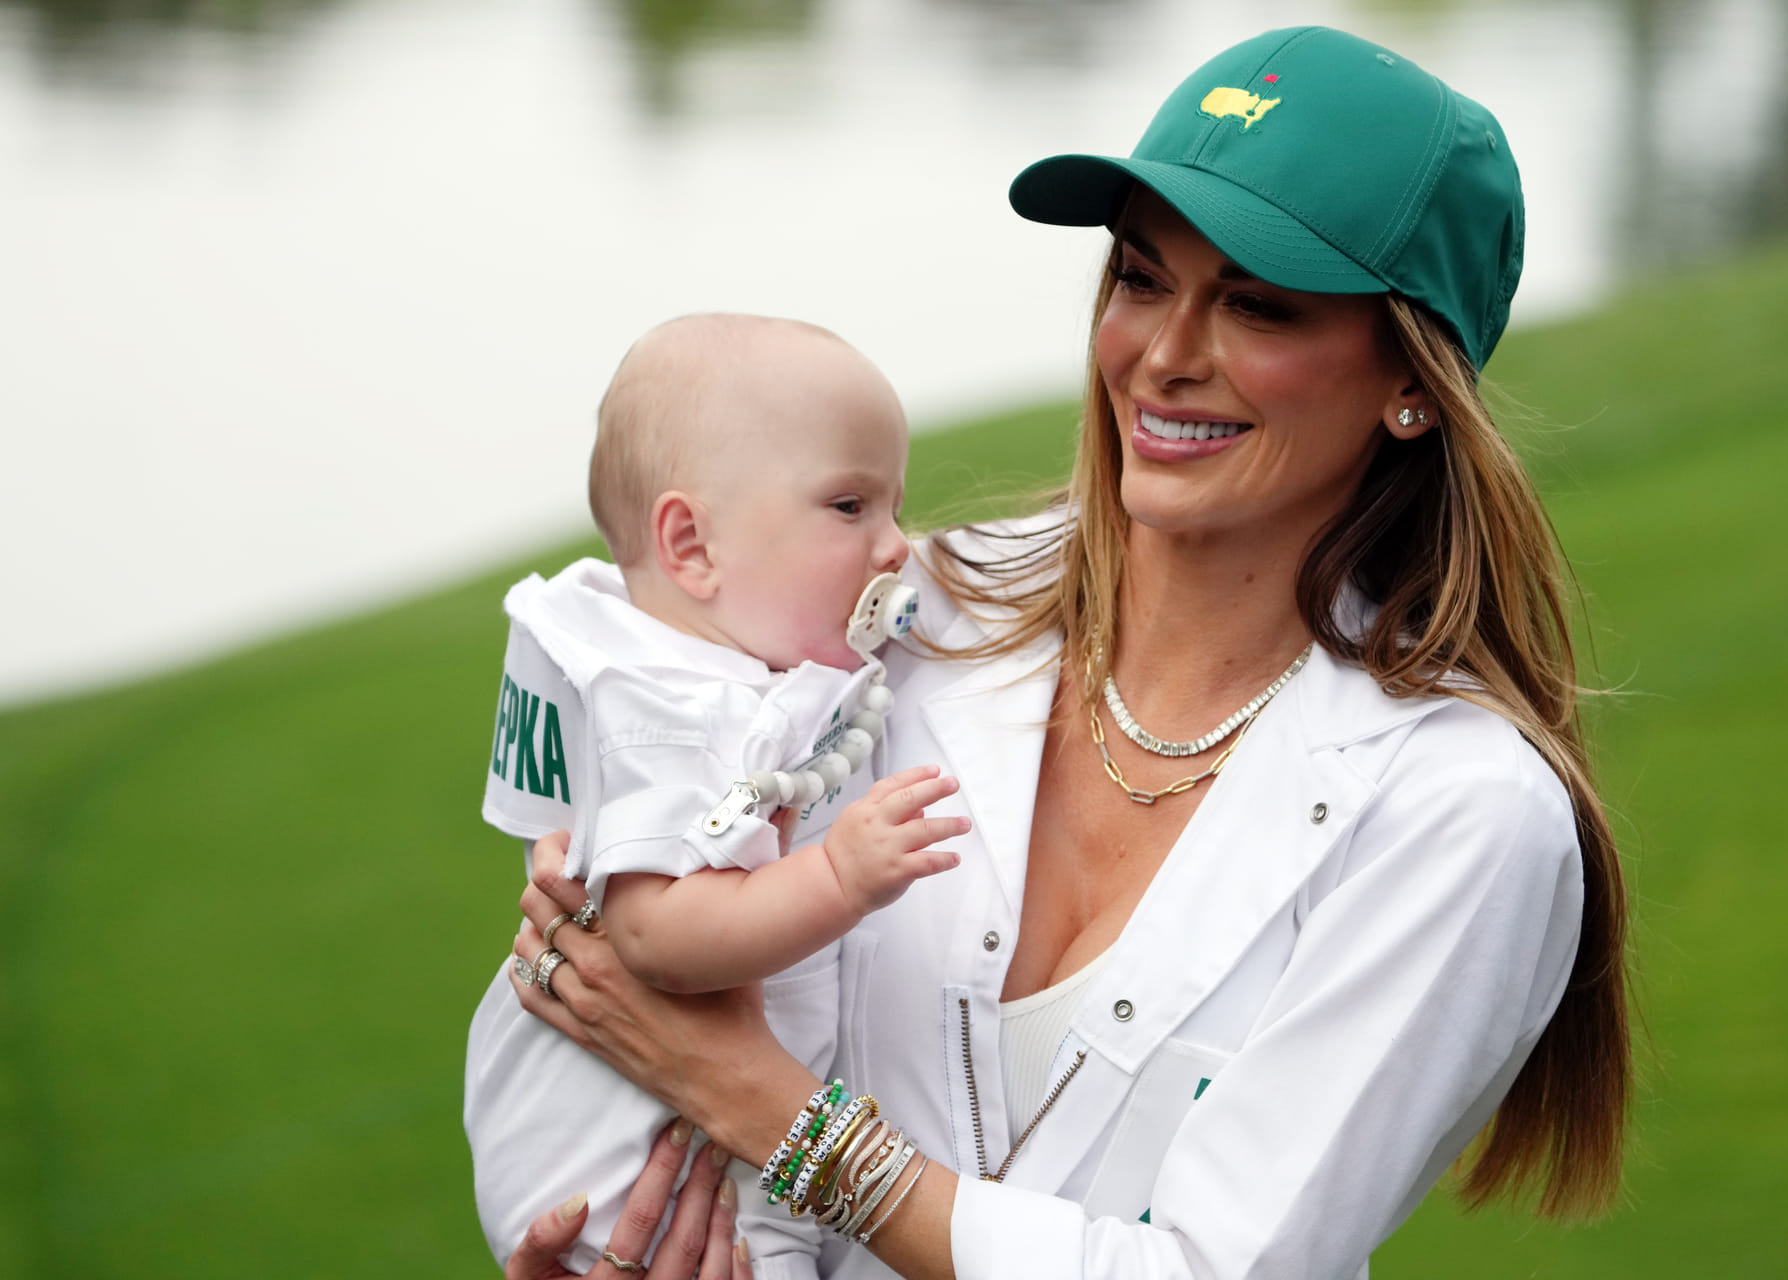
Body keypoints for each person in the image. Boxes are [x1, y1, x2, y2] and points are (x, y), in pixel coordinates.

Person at [503, 25, 1631, 1280]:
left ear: (1411, 381)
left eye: (1256, 303)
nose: (1163, 353)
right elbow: (637, 904)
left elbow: (1216, 1268)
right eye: (1143, 278)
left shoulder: (1462, 813)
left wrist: (773, 1114)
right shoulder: (909, 614)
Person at [468, 314, 969, 1275]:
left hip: (700, 1134)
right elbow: (658, 936)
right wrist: (839, 874)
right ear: (692, 544)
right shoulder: (669, 713)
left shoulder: (736, 669)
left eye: (894, 507)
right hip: (631, 1168)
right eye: (850, 507)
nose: (897, 547)